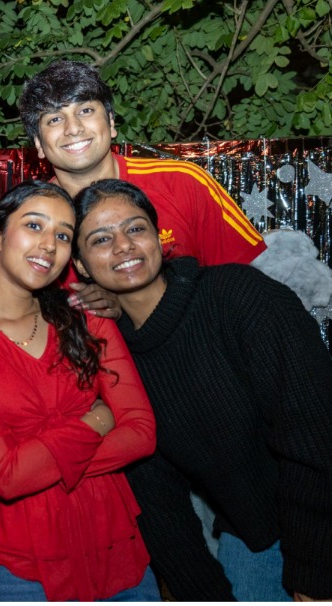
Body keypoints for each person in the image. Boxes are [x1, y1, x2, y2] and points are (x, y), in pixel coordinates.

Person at [71, 179, 332, 602]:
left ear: (159, 237)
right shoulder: (113, 363)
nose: (122, 246)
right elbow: (159, 507)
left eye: (135, 229)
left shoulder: (239, 296)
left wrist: (315, 577)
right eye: (101, 239)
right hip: (253, 528)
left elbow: (317, 436)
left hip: (320, 512)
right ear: (81, 266)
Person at [0, 181, 158, 601]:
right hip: (19, 556)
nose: (49, 244)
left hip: (112, 540)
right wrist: (98, 419)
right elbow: (5, 476)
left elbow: (142, 432)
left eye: (63, 235)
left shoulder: (86, 317)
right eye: (34, 225)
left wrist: (36, 462)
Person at [18, 59, 267, 317]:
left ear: (111, 123)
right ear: (38, 142)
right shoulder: (31, 222)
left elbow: (252, 285)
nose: (73, 128)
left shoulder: (183, 183)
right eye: (55, 118)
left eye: (85, 111)